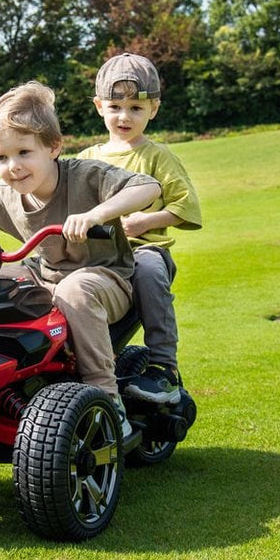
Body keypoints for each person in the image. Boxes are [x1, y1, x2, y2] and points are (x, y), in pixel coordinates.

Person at [0, 81, 160, 438]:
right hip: (46, 274)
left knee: (74, 289)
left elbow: (148, 187)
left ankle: (107, 396)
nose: (14, 167)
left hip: (106, 279)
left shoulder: (86, 176)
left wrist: (96, 215)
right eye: (1, 158)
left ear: (53, 146)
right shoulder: (5, 194)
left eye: (24, 152)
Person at [78, 52, 202, 404]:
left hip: (142, 250)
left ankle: (163, 367)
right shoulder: (86, 159)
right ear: (99, 107)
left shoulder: (157, 156)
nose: (124, 116)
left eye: (135, 108)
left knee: (149, 272)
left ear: (153, 109)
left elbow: (185, 206)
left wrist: (147, 220)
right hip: (96, 255)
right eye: (115, 107)